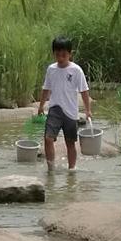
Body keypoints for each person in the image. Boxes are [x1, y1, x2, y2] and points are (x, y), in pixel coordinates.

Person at [38, 36, 92, 171]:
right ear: (54, 54)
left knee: (70, 143)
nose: (61, 58)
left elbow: (84, 91)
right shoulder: (51, 69)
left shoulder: (76, 70)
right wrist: (41, 105)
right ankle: (51, 169)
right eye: (57, 55)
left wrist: (88, 110)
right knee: (48, 138)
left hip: (70, 112)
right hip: (55, 109)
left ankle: (72, 169)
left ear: (70, 54)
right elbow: (46, 88)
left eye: (64, 55)